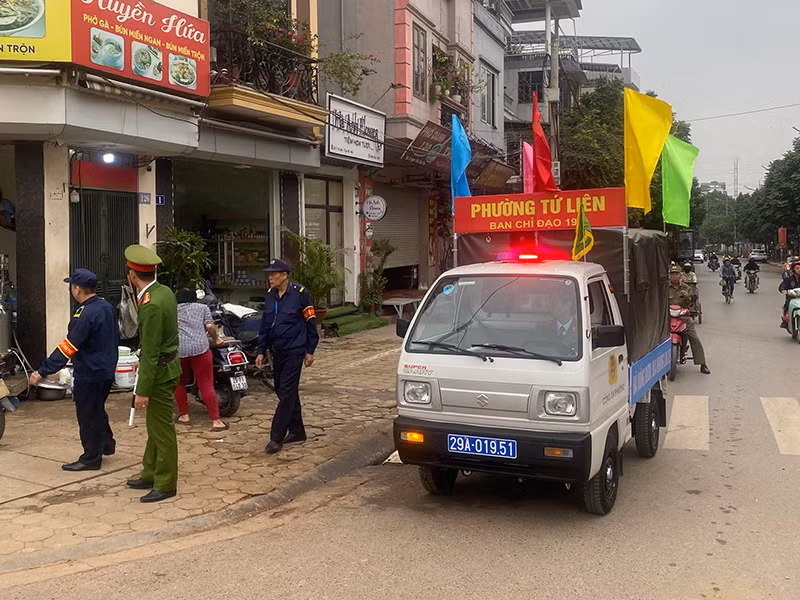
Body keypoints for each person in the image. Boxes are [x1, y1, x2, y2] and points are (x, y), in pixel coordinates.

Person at [30, 269, 118, 471]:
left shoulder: (84, 315)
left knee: (88, 415)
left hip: (90, 372)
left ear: (77, 289)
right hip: (105, 370)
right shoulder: (106, 306)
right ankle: (106, 444)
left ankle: (90, 458)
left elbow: (68, 347)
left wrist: (43, 371)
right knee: (97, 409)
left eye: (72, 286)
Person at [124, 245, 182, 503]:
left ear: (132, 276)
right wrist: (142, 360)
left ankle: (166, 482)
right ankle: (150, 472)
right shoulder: (164, 292)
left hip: (158, 372)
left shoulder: (150, 304)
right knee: (155, 425)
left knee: (162, 429)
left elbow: (152, 349)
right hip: (166, 365)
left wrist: (142, 391)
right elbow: (152, 345)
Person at [255, 259, 319, 455]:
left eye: (274, 274)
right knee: (284, 391)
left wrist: (310, 350)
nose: (270, 277)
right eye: (269, 274)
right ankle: (298, 431)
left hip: (295, 349)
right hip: (277, 350)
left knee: (287, 390)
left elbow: (311, 322)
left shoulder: (300, 294)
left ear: (284, 275)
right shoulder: (270, 296)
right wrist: (260, 351)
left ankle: (276, 437)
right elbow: (265, 325)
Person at [174, 288, 227, 431]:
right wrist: (216, 339)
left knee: (179, 383)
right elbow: (210, 326)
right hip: (200, 349)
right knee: (206, 385)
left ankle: (184, 416)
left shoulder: (172, 309)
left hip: (180, 350)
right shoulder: (202, 308)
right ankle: (216, 421)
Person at [669, 266, 710, 375]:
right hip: (668, 316)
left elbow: (690, 304)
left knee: (694, 337)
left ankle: (702, 363)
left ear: (680, 275)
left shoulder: (686, 288)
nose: (674, 276)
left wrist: (687, 297)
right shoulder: (665, 288)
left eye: (676, 274)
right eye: (672, 274)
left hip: (683, 316)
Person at [779, 261, 800, 328]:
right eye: (797, 268)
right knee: (787, 304)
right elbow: (782, 286)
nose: (799, 270)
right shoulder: (788, 279)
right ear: (793, 269)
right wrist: (783, 290)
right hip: (791, 297)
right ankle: (785, 319)